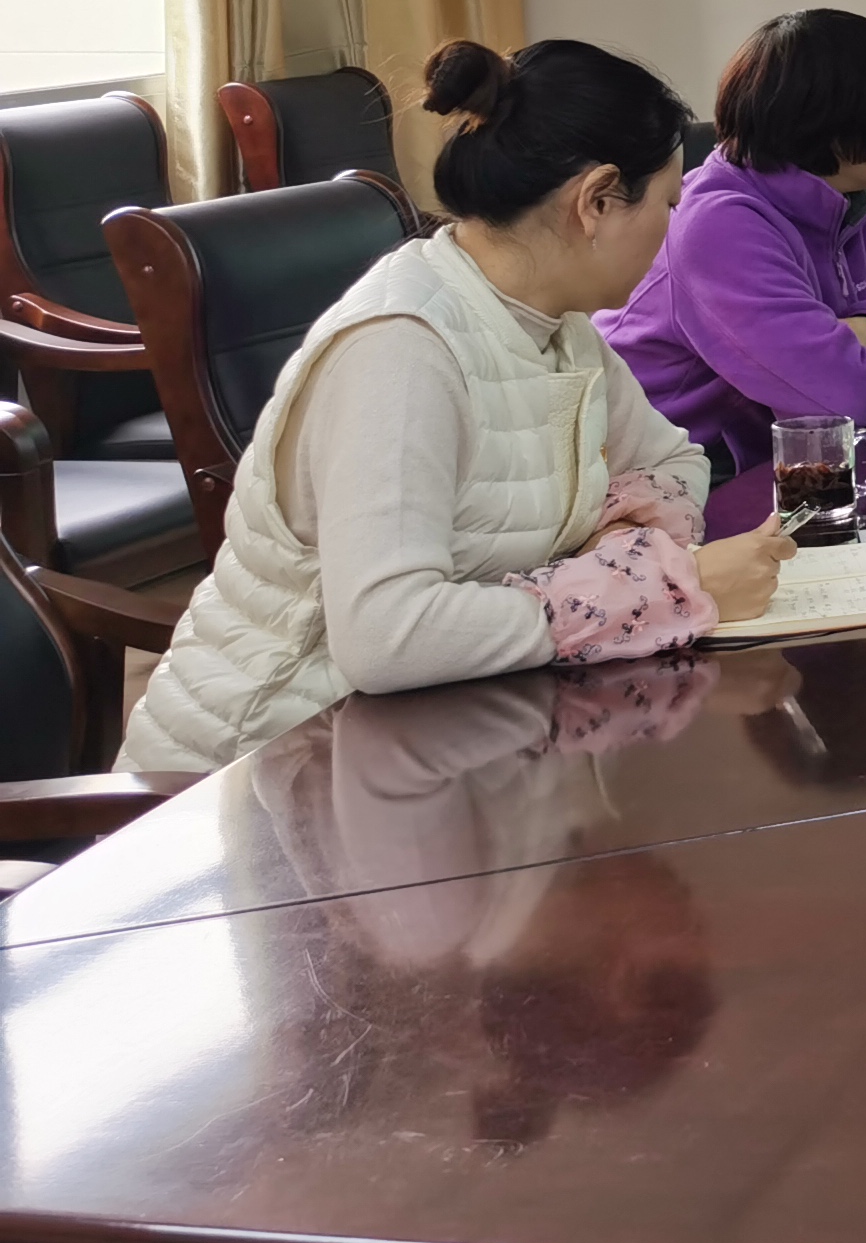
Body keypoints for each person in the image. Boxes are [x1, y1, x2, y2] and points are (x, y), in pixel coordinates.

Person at [121, 39, 795, 773]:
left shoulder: (554, 323)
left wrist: (626, 539)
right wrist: (662, 587)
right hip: (263, 773)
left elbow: (672, 459)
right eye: (667, 204)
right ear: (597, 201)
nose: (672, 230)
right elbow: (387, 636)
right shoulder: (402, 351)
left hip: (433, 744)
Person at [600, 9, 866, 483]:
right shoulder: (720, 224)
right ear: (842, 129)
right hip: (688, 482)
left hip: (791, 467)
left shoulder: (844, 205)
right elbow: (839, 399)